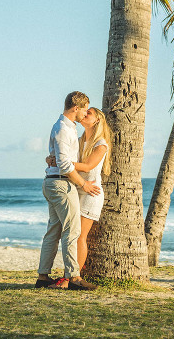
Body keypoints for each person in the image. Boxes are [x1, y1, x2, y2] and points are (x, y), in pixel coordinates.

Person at [35, 91, 100, 291]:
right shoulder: (64, 128)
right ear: (75, 108)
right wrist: (83, 184)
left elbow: (61, 159)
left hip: (54, 182)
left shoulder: (66, 128)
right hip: (62, 184)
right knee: (72, 230)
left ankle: (43, 277)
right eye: (84, 109)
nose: (85, 113)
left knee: (53, 231)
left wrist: (51, 159)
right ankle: (74, 277)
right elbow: (64, 165)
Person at [47, 107, 111, 272]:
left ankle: (74, 277)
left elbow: (88, 166)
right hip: (77, 188)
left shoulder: (101, 144)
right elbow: (63, 155)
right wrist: (54, 159)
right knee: (71, 235)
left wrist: (61, 162)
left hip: (91, 191)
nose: (85, 114)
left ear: (97, 120)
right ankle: (71, 275)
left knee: (80, 236)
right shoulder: (80, 139)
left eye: (89, 113)